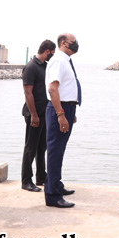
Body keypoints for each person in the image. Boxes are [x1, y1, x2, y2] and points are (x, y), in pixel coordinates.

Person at [44, 33, 81, 208]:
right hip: (59, 109)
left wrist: (69, 111)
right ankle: (52, 195)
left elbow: (65, 88)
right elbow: (53, 89)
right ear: (64, 43)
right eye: (74, 43)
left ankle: (56, 184)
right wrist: (60, 114)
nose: (77, 45)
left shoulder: (65, 60)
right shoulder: (59, 60)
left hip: (66, 107)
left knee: (59, 150)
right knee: (55, 152)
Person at [21, 40, 55, 192]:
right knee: (30, 147)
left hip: (44, 112)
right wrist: (34, 115)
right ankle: (26, 180)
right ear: (48, 51)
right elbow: (28, 92)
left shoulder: (45, 66)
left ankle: (41, 177)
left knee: (42, 147)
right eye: (52, 53)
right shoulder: (31, 67)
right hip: (33, 113)